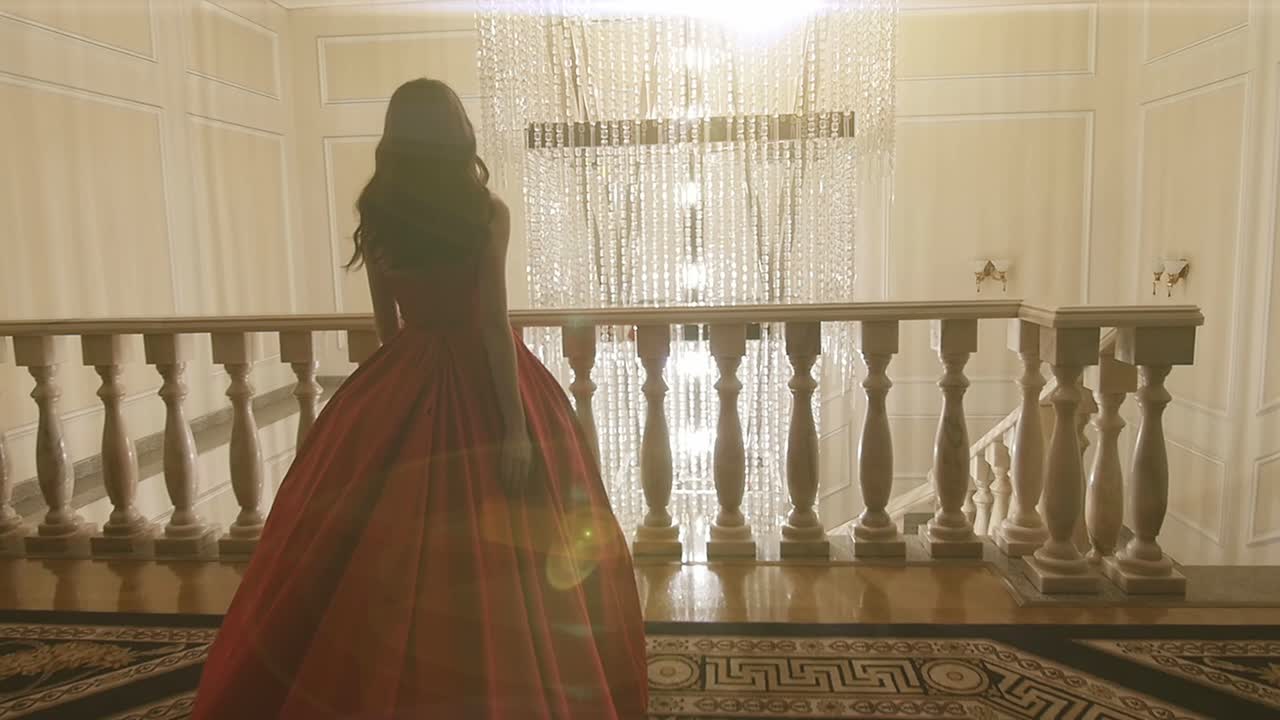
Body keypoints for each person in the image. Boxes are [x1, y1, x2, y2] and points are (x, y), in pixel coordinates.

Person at [192, 78, 648, 719]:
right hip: (485, 378)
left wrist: (397, 396)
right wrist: (513, 431)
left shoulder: (378, 210)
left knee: (375, 553)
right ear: (455, 134)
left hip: (403, 374)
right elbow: (491, 325)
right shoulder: (484, 209)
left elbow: (387, 328)